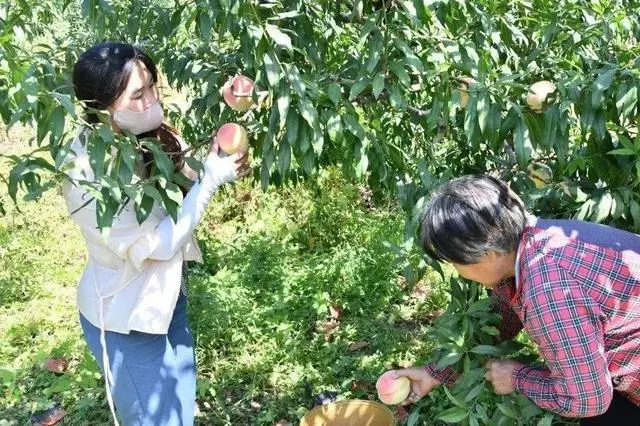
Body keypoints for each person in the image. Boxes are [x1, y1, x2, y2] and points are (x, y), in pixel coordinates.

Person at [63, 42, 249, 426]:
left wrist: (221, 157)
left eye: (152, 86)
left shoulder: (151, 134)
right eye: (137, 94)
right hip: (125, 317)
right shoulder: (86, 170)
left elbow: (190, 175)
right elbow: (158, 245)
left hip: (166, 301)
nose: (151, 98)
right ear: (101, 106)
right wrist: (212, 181)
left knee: (179, 412)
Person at [379, 175, 640, 425]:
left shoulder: (548, 290)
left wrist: (517, 377)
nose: (459, 272)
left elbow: (587, 400)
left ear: (488, 253)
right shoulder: (531, 241)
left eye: (457, 262)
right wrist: (434, 373)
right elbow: (501, 320)